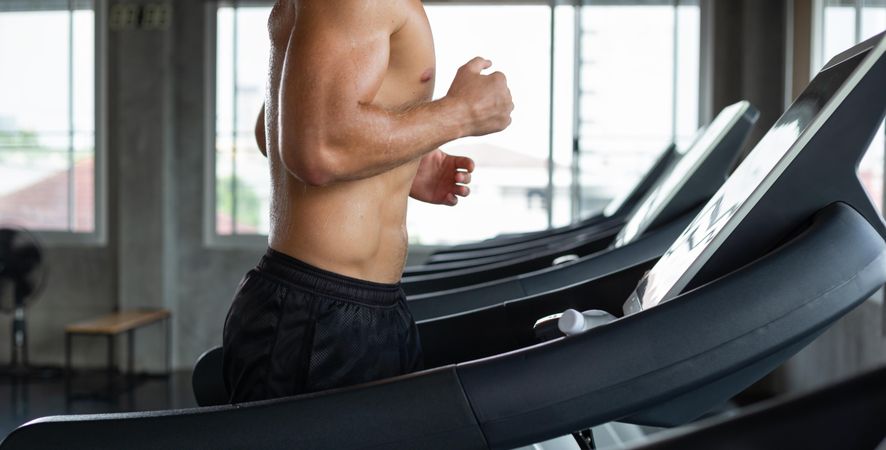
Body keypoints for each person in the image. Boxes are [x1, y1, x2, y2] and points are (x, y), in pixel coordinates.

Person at [223, 0, 513, 403]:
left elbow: (275, 131)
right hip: (318, 316)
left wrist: (402, 161)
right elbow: (317, 150)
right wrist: (460, 113)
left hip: (360, 306)